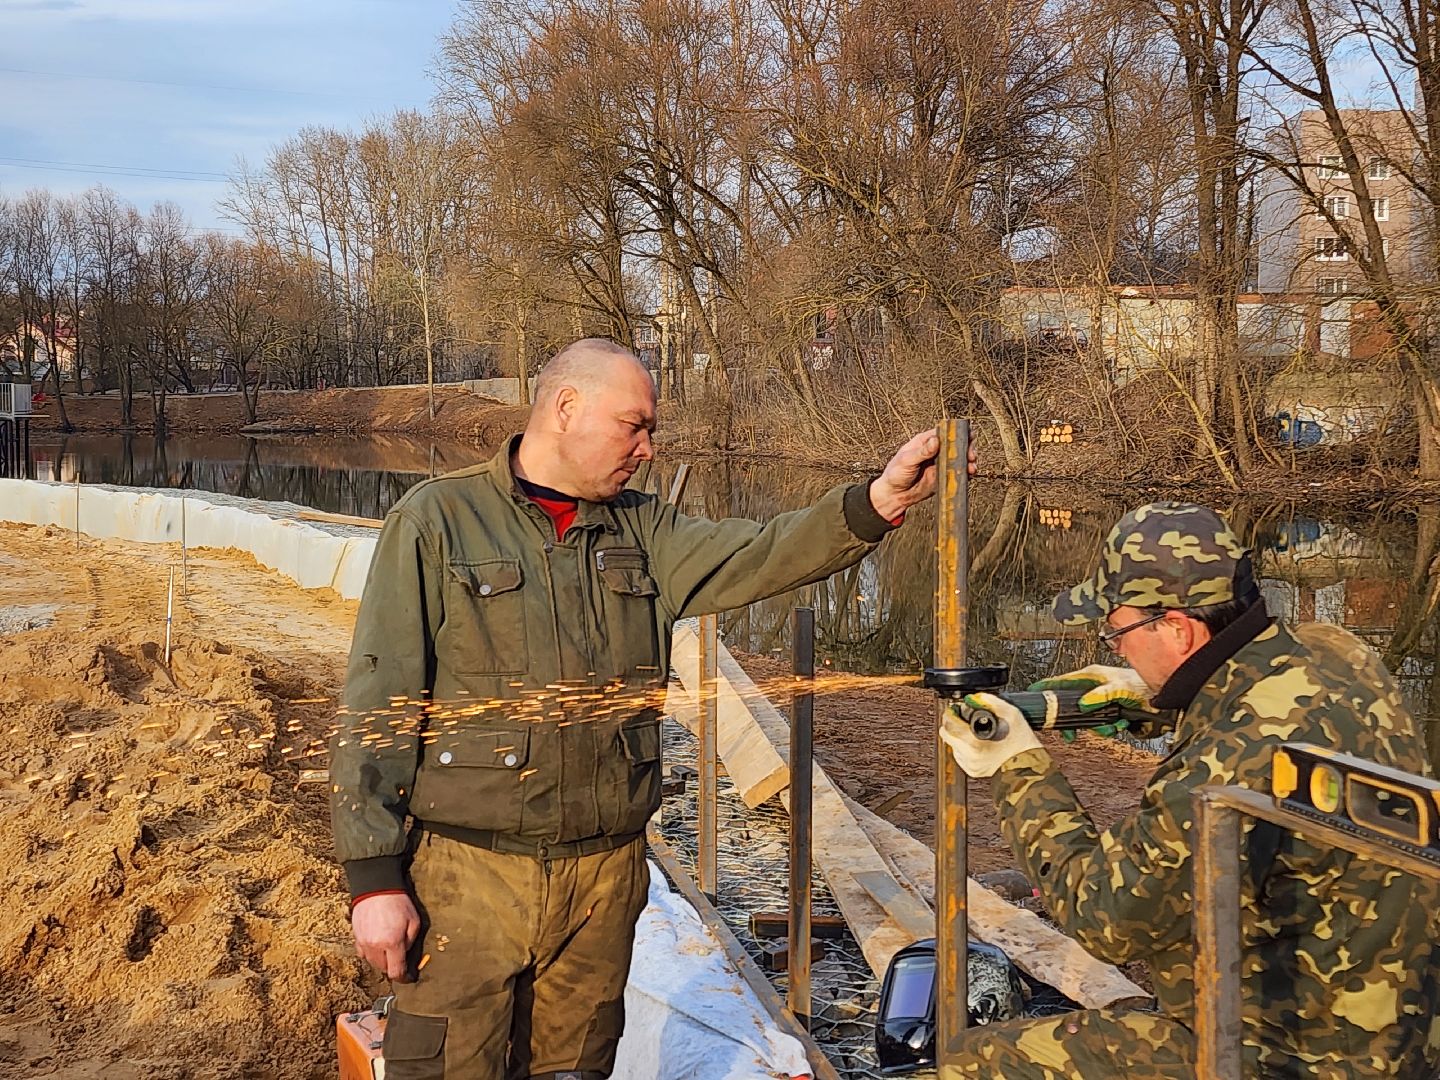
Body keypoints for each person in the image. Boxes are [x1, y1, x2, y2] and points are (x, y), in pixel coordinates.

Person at [330, 337, 952, 1079]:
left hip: (604, 881)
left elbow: (760, 552)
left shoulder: (644, 530)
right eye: (635, 426)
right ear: (566, 408)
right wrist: (375, 879)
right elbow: (380, 702)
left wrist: (878, 501)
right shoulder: (438, 521)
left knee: (576, 1067)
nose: (648, 449)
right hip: (467, 881)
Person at [939, 501, 1440, 1079]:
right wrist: (1160, 697)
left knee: (972, 1062)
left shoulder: (1218, 772)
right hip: (1400, 1031)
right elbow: (1263, 705)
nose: (1115, 646)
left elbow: (1103, 916)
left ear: (1178, 629)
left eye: (1117, 632)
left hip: (1291, 1058)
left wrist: (1017, 766)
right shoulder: (1337, 652)